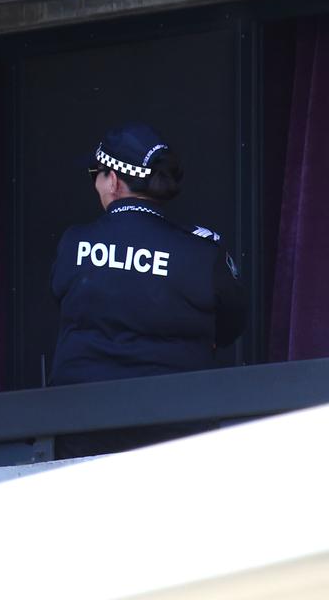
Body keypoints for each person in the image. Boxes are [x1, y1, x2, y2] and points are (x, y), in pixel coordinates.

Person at [49, 124, 246, 458]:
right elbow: (233, 323)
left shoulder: (73, 243)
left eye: (95, 174)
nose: (95, 183)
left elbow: (62, 302)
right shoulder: (202, 250)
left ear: (113, 180)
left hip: (81, 429)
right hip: (178, 432)